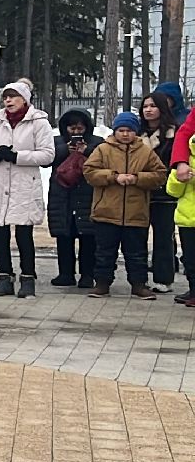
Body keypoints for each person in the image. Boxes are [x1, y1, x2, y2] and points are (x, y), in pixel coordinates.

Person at [0, 79, 54, 299]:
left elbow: (47, 154)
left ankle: (28, 278)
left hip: (24, 184)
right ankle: (4, 277)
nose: (8, 100)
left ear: (25, 99)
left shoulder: (39, 122)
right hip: (0, 183)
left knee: (23, 233)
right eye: (5, 97)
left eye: (13, 96)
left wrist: (18, 157)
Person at [83, 110, 167, 299]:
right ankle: (102, 284)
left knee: (137, 253)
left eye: (129, 130)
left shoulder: (145, 151)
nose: (125, 134)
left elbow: (160, 174)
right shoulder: (103, 149)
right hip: (106, 212)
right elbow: (89, 171)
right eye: (121, 130)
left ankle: (139, 284)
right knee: (104, 252)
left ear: (135, 132)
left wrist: (137, 178)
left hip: (136, 214)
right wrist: (113, 177)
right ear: (114, 131)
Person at [47, 108, 101, 289]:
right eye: (72, 128)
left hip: (87, 195)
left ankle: (87, 274)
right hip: (62, 197)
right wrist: (66, 150)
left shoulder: (97, 143)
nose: (76, 132)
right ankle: (65, 273)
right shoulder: (56, 143)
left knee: (88, 237)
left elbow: (104, 158)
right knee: (64, 236)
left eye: (80, 128)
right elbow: (46, 158)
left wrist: (86, 151)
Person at [140, 90, 181, 293]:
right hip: (139, 191)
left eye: (153, 106)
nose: (148, 110)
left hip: (164, 193)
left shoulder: (174, 134)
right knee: (137, 235)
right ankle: (138, 278)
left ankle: (163, 278)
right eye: (145, 106)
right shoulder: (136, 133)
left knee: (163, 236)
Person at [164, 128, 195, 306]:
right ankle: (193, 290)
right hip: (187, 218)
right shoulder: (185, 161)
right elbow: (172, 191)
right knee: (190, 259)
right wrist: (177, 176)